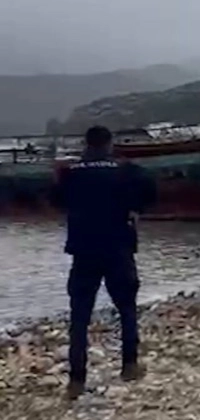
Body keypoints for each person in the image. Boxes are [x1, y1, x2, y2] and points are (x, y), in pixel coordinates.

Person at [50, 126, 157, 400]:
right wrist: (134, 209)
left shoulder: (71, 174)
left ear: (86, 144)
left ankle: (76, 380)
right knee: (127, 309)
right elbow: (150, 195)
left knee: (79, 317)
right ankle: (130, 366)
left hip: (84, 252)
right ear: (109, 144)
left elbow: (55, 201)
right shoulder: (126, 171)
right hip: (119, 250)